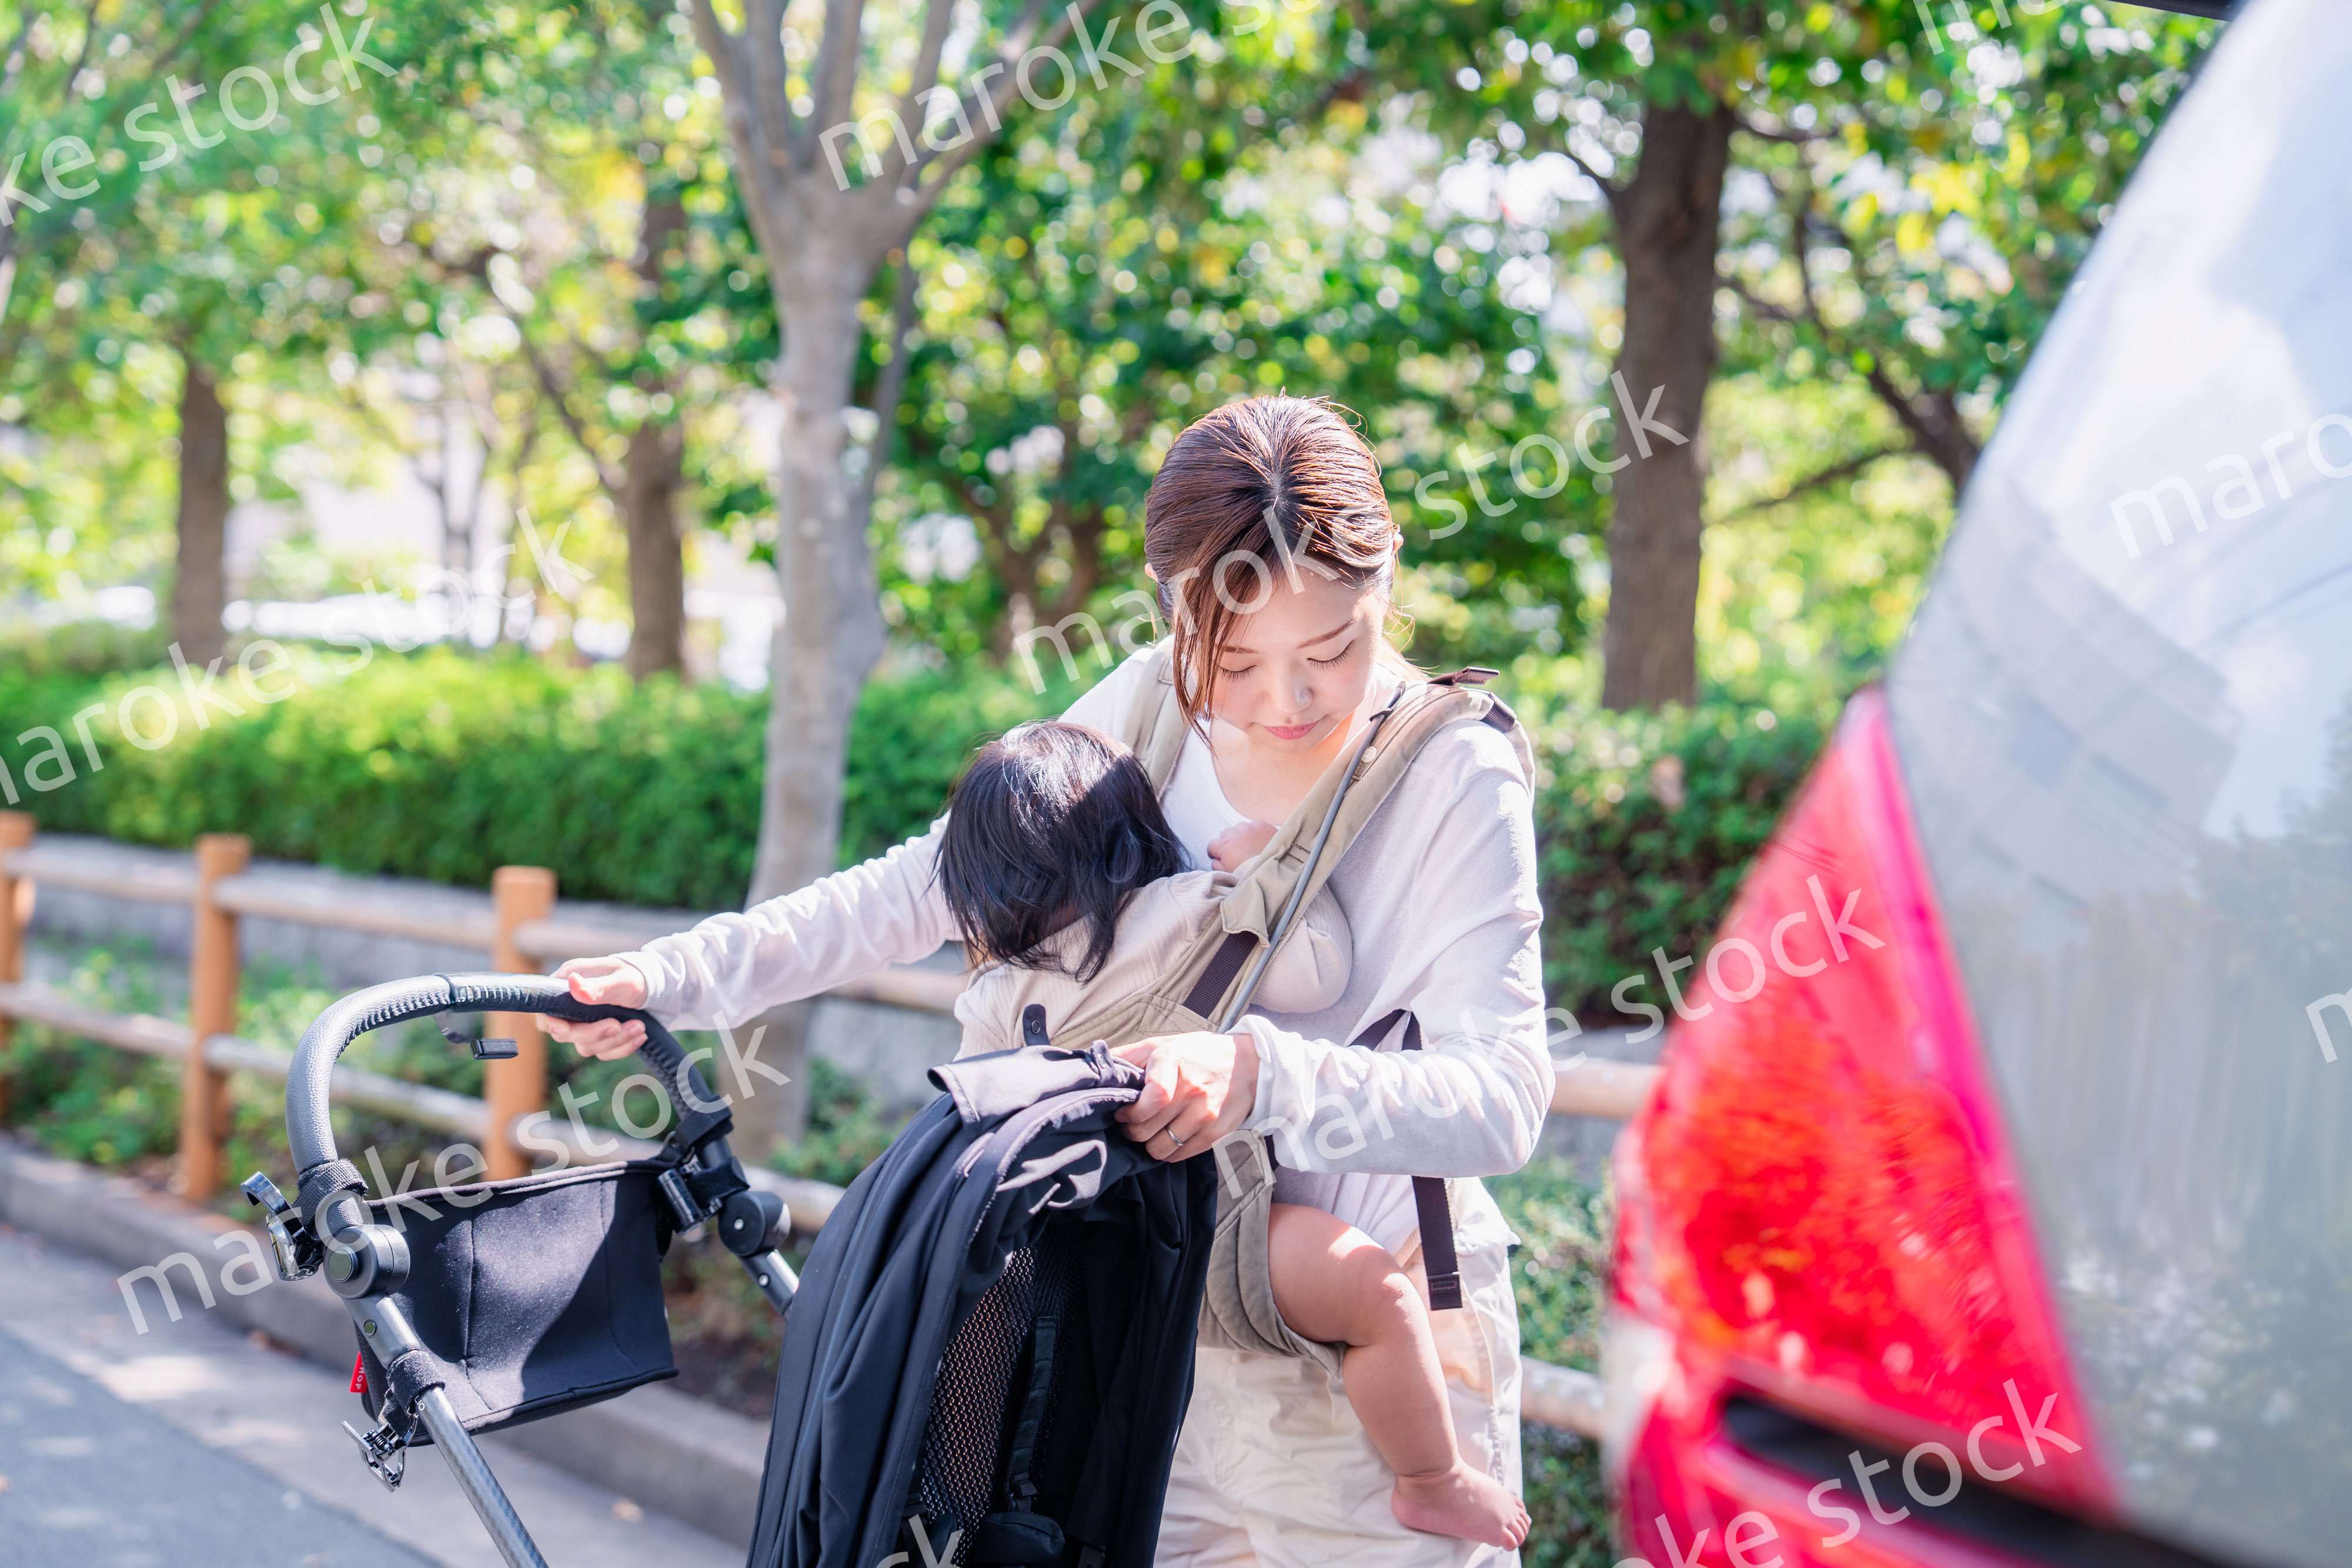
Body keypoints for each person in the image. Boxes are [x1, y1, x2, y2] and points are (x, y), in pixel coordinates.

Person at [544, 393, 1553, 1567]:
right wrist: (676, 973)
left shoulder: (1452, 776)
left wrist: (1254, 1073)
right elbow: (931, 881)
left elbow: (1501, 1096)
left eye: (1331, 649)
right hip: (1142, 1328)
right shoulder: (1149, 702)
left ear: (1383, 586)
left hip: (1361, 1360)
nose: (1284, 702)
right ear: (1174, 604)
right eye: (1233, 659)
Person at [934, 719, 1529, 1547]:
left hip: (1102, 1273)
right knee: (1380, 1299)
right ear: (1133, 842)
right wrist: (1267, 863)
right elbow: (1319, 969)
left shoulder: (996, 992)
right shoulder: (1186, 910)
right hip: (1225, 1238)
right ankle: (1434, 1478)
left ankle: (962, 1508)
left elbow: (979, 1100)